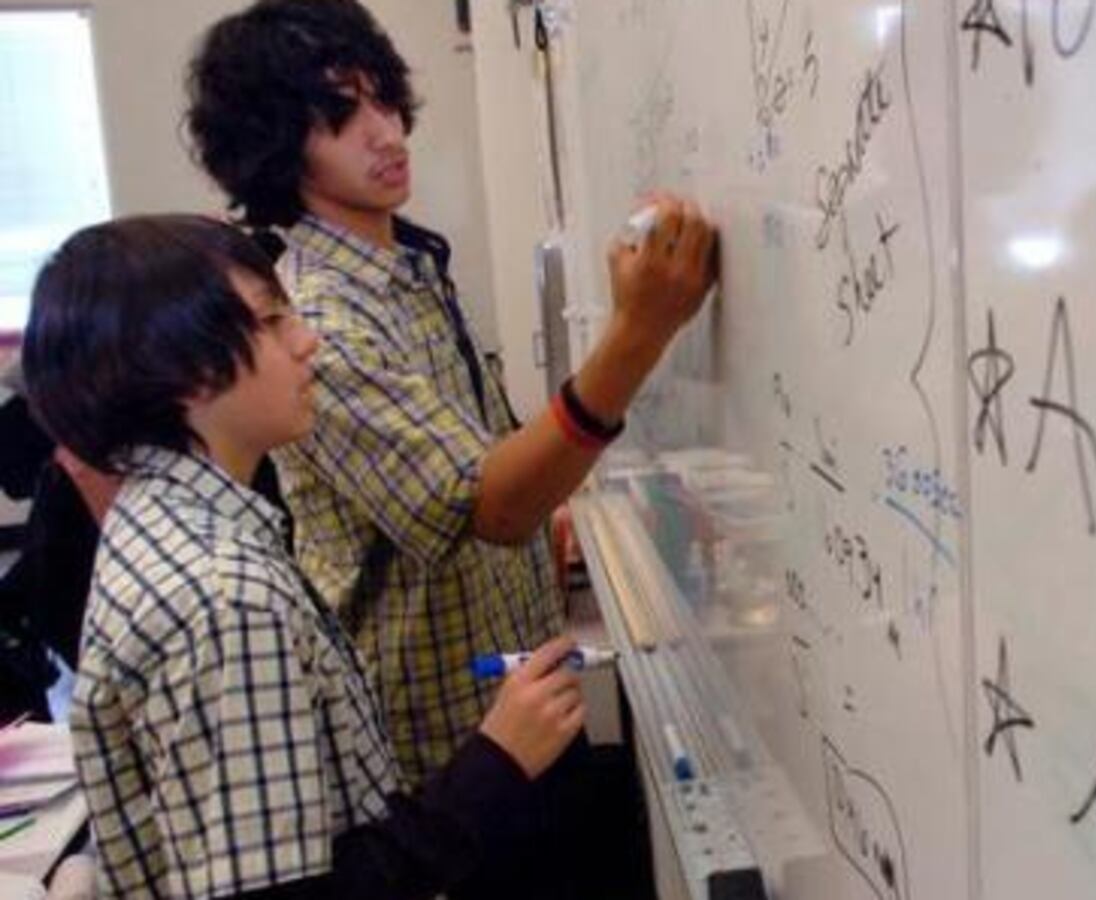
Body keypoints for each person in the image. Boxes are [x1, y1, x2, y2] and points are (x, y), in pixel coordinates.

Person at [186, 2, 714, 895]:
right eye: (339, 116)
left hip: (521, 722)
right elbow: (488, 504)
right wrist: (638, 334)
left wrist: (557, 522)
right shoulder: (322, 312)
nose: (385, 132)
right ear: (278, 144)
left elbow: (487, 477)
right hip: (449, 764)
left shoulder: (408, 269)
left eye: (384, 99)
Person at [23, 214, 588, 898]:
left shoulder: (165, 523)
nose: (307, 340)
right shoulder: (224, 598)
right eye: (272, 321)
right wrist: (494, 763)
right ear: (181, 372)